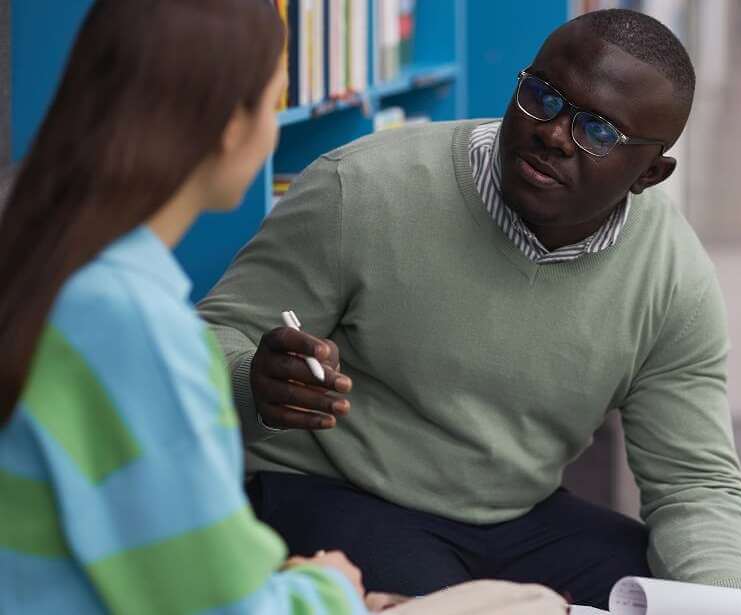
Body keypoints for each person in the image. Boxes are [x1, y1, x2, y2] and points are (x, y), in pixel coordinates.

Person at [0, 2, 568, 614]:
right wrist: (331, 585)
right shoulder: (131, 328)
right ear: (228, 124)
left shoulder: (49, 263)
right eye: (274, 99)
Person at [199, 9, 741, 609]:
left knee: (657, 594)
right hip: (340, 491)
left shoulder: (673, 277)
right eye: (542, 96)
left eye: (597, 133)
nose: (551, 133)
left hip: (516, 518)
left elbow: (696, 484)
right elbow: (205, 340)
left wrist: (729, 603)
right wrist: (251, 381)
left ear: (650, 174)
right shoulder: (361, 188)